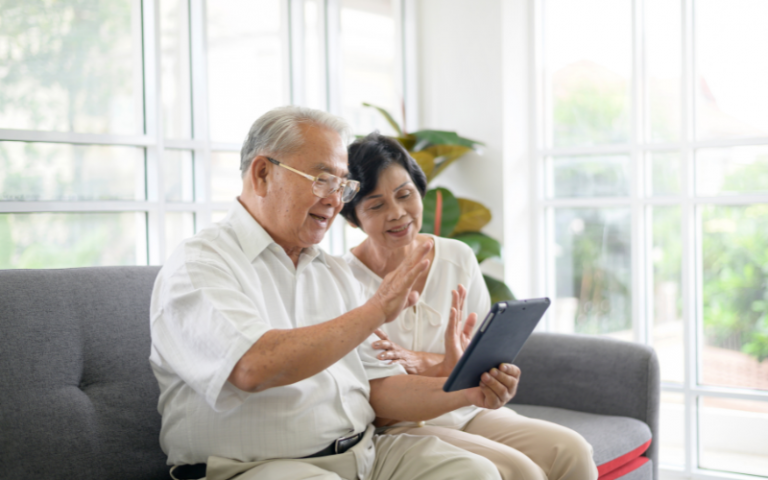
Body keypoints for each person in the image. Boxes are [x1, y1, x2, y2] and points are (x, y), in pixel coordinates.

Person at [149, 106, 522, 480]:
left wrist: (468, 392)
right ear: (263, 174)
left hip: (366, 453)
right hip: (259, 467)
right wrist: (377, 309)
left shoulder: (332, 272)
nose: (335, 200)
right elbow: (252, 366)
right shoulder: (199, 264)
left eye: (342, 185)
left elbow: (381, 388)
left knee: (474, 473)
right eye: (323, 179)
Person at [339, 132, 598, 480]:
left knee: (573, 450)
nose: (397, 214)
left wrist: (424, 363)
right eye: (376, 205)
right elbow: (375, 393)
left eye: (405, 195)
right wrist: (446, 366)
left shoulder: (457, 257)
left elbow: (476, 363)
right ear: (353, 217)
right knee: (521, 471)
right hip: (399, 425)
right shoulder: (342, 280)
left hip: (468, 410)